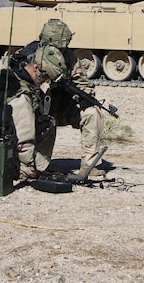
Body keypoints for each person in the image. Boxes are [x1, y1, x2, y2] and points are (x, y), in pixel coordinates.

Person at [35, 18, 108, 177]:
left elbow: (83, 83)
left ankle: (89, 165)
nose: (64, 49)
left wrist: (84, 96)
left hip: (63, 107)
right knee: (46, 121)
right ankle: (39, 165)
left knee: (92, 113)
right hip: (38, 110)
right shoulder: (33, 57)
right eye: (60, 46)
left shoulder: (70, 58)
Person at [0, 43, 67, 179]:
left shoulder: (12, 74)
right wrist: (45, 166)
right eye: (46, 77)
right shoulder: (21, 99)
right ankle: (6, 169)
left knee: (46, 122)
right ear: (36, 68)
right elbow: (24, 148)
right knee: (34, 170)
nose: (46, 82)